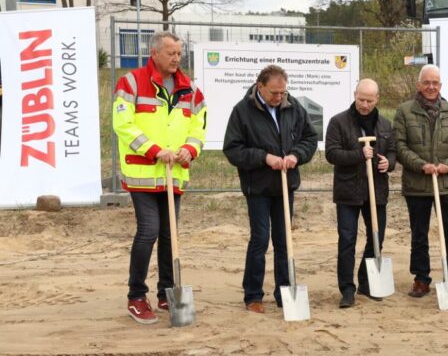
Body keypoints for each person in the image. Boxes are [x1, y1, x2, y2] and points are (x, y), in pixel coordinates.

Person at [112, 31, 206, 324]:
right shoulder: (131, 82)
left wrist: (190, 149)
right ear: (154, 53)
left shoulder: (190, 88)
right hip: (142, 172)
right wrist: (154, 151)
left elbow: (199, 125)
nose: (176, 58)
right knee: (149, 231)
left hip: (173, 175)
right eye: (170, 53)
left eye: (179, 53)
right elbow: (122, 124)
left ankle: (167, 293)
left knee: (170, 235)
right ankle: (136, 296)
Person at [223, 64, 318, 313]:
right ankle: (253, 295)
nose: (279, 97)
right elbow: (233, 149)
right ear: (260, 87)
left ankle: (285, 291)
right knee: (260, 238)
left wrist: (296, 155)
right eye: (274, 93)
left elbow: (310, 138)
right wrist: (264, 158)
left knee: (284, 239)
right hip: (258, 186)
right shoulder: (242, 111)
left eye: (282, 92)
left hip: (286, 184)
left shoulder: (293, 106)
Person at [393, 64, 448, 300]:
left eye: (435, 83)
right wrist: (421, 165)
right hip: (417, 185)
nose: (430, 87)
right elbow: (399, 146)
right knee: (419, 234)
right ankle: (421, 278)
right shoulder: (405, 111)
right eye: (426, 82)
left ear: (440, 86)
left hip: (447, 184)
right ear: (419, 85)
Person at [324, 78, 396, 308]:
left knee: (377, 238)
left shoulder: (384, 125)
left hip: (377, 191)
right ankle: (347, 288)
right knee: (347, 240)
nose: (364, 104)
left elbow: (393, 151)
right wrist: (358, 154)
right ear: (354, 94)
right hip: (348, 191)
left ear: (377, 99)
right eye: (360, 99)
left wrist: (389, 162)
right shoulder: (338, 122)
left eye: (369, 100)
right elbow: (332, 154)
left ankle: (367, 282)